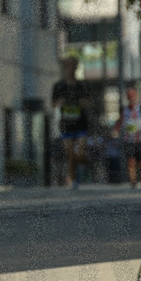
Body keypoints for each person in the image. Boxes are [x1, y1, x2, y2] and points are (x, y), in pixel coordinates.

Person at [51, 55, 93, 188]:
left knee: (80, 152)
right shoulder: (59, 86)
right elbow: (53, 104)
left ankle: (83, 166)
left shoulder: (82, 85)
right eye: (69, 65)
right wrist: (60, 102)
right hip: (66, 124)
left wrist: (83, 103)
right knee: (70, 154)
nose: (71, 69)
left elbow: (90, 101)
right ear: (65, 67)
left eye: (74, 66)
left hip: (81, 123)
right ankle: (74, 179)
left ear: (77, 68)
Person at [117, 86, 141, 188]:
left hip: (140, 138)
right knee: (131, 160)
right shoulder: (123, 109)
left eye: (132, 95)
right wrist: (116, 129)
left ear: (136, 96)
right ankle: (133, 181)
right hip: (128, 139)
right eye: (129, 95)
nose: (131, 97)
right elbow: (120, 121)